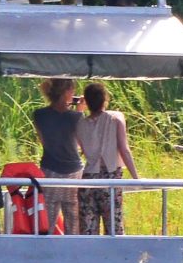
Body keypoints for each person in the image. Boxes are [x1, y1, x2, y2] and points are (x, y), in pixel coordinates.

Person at [75, 81, 139, 236]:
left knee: (88, 230)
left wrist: (79, 109)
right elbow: (124, 149)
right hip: (111, 177)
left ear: (87, 102)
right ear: (105, 99)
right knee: (114, 229)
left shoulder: (79, 124)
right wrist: (136, 177)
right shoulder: (116, 118)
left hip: (88, 179)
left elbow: (79, 147)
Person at [31, 77, 85, 241]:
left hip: (49, 170)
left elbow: (43, 141)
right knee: (74, 224)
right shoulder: (76, 117)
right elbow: (80, 144)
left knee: (46, 224)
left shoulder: (39, 115)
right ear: (67, 92)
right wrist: (80, 111)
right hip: (74, 172)